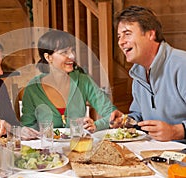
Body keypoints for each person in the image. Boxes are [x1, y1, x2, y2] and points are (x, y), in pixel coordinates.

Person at [110, 6, 186, 142]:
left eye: (127, 34)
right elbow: (138, 114)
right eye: (119, 36)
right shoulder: (137, 72)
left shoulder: (182, 64)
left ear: (151, 34)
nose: (121, 42)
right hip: (154, 152)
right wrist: (126, 121)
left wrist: (177, 131)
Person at [21, 30, 117, 132]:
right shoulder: (33, 88)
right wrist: (27, 132)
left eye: (72, 50)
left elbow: (112, 114)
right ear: (48, 57)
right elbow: (27, 127)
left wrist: (95, 126)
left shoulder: (83, 81)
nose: (72, 56)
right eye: (64, 52)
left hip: (78, 146)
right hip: (47, 146)